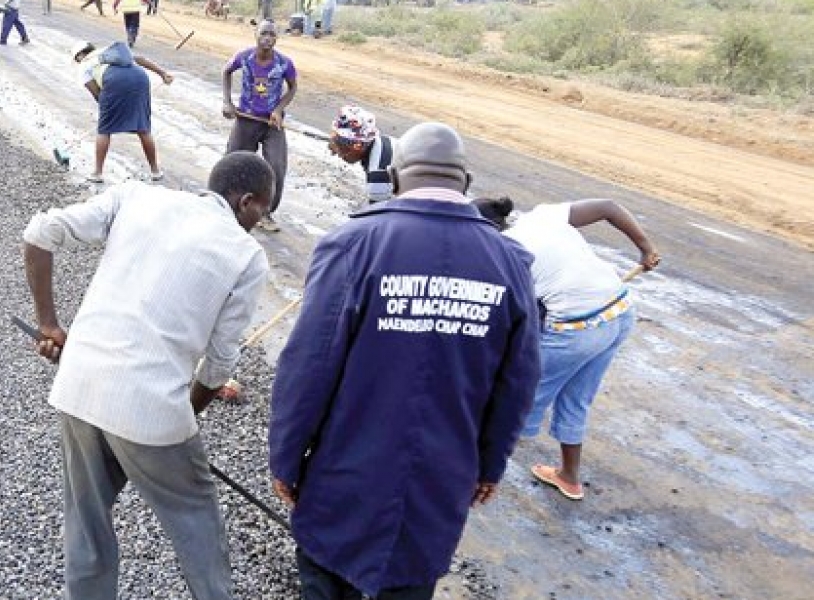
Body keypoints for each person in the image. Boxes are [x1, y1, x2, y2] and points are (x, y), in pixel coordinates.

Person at [269, 122, 541, 600]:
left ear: (394, 178)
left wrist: (286, 458)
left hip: (344, 482)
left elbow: (308, 367)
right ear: (466, 181)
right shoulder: (509, 264)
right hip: (434, 490)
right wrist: (489, 466)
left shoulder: (354, 244)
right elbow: (518, 382)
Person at [21, 151, 276, 600]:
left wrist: (48, 324)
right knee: (196, 518)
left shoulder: (135, 196)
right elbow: (218, 364)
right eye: (264, 209)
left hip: (79, 385)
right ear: (246, 201)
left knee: (86, 521)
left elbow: (40, 233)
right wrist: (187, 416)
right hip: (151, 407)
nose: (261, 220)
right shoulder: (246, 256)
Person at [473, 196, 661, 501]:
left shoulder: (503, 254)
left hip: (577, 330)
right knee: (576, 399)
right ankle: (569, 477)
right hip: (620, 311)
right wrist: (646, 249)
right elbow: (609, 207)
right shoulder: (541, 216)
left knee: (514, 406)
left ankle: (474, 477)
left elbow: (520, 321)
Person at [222, 19, 297, 232]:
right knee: (233, 163)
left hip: (272, 124)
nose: (268, 38)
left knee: (277, 167)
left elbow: (292, 88)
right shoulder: (243, 57)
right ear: (255, 34)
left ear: (276, 39)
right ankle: (225, 206)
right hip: (246, 119)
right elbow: (226, 71)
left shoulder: (284, 63)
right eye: (264, 33)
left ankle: (265, 213)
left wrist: (278, 110)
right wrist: (227, 102)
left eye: (272, 35)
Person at [73, 41, 173, 183]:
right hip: (140, 78)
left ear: (80, 55)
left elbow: (97, 95)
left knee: (104, 130)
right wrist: (163, 73)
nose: (78, 61)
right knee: (142, 127)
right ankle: (155, 171)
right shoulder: (108, 51)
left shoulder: (84, 65)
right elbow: (141, 60)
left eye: (77, 58)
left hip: (114, 81)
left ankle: (97, 173)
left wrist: (108, 112)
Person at [327, 105, 394, 204]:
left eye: (339, 146)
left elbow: (379, 216)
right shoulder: (384, 142)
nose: (334, 153)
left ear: (357, 146)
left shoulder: (377, 178)